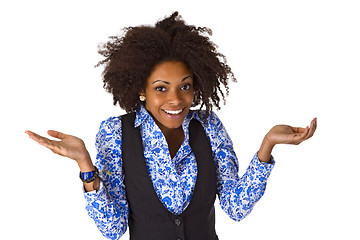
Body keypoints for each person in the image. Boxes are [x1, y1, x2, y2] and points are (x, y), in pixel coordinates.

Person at [25, 12, 317, 240]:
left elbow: (235, 207)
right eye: (161, 88)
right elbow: (113, 229)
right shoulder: (115, 133)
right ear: (142, 89)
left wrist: (267, 145)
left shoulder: (208, 125)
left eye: (185, 86)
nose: (176, 99)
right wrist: (85, 165)